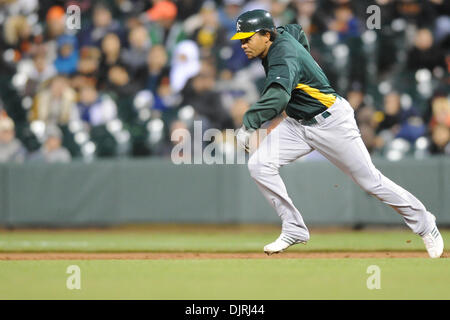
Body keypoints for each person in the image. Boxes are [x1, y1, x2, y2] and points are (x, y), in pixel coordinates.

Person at [231, 9, 444, 258]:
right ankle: (294, 227)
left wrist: (249, 123)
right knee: (259, 164)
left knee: (371, 181)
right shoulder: (282, 36)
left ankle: (425, 223)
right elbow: (296, 30)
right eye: (241, 39)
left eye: (248, 38)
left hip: (331, 122)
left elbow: (278, 95)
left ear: (266, 35)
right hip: (298, 124)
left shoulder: (282, 53)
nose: (243, 44)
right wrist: (305, 61)